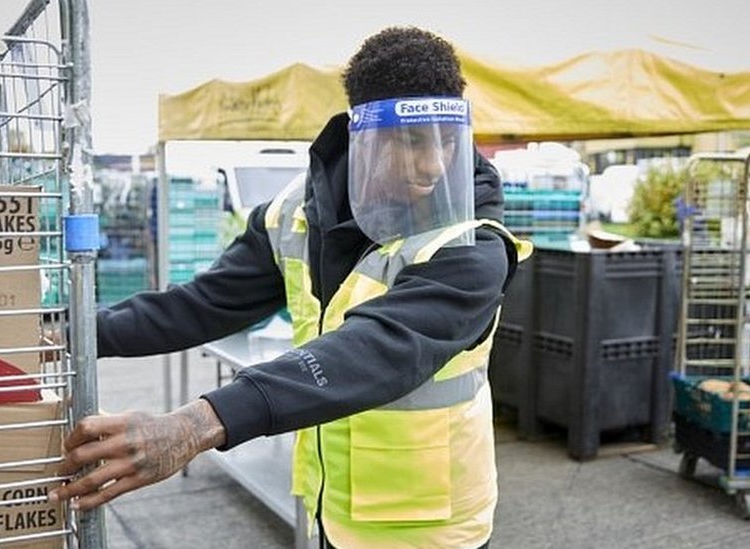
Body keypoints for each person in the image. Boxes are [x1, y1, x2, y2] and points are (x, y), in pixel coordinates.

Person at [49, 26, 531, 549]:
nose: (435, 164)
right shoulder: (295, 215)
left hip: (433, 527)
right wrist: (71, 332)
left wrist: (196, 424)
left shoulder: (472, 242)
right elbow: (206, 303)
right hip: (334, 510)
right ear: (361, 136)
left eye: (446, 140)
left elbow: (381, 348)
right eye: (411, 140)